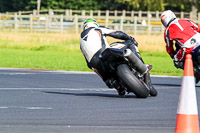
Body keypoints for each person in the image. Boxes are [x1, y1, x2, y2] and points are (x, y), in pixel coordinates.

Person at [80, 18, 143, 96]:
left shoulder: (81, 43)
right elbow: (116, 33)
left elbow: (89, 64)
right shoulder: (97, 29)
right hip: (105, 53)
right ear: (95, 25)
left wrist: (104, 78)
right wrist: (129, 37)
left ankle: (117, 86)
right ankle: (140, 63)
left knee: (109, 80)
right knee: (130, 43)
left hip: (95, 64)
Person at [161, 10, 200, 80]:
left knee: (176, 60)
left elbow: (169, 47)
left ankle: (195, 72)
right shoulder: (186, 20)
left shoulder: (167, 31)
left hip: (188, 47)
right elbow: (198, 28)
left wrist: (173, 55)